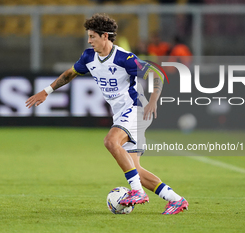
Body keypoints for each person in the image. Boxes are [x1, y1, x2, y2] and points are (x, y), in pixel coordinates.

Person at [25, 13, 188, 214]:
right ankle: (175, 199)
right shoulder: (88, 57)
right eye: (88, 36)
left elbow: (156, 73)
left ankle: (137, 192)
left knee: (111, 141)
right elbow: (70, 74)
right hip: (121, 113)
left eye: (92, 36)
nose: (89, 40)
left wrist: (154, 98)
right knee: (134, 168)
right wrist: (47, 91)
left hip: (135, 108)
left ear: (105, 36)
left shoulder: (124, 58)